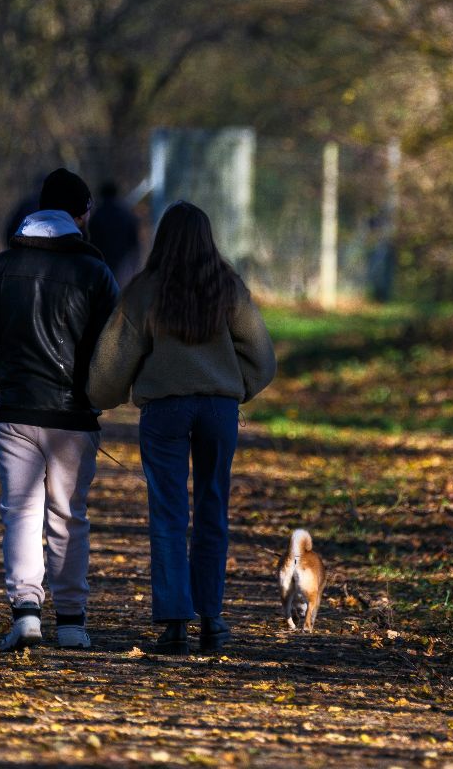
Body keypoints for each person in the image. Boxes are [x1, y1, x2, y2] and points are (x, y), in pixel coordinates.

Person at [87, 201, 277, 655]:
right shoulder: (228, 288)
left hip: (165, 414)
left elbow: (112, 363)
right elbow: (264, 359)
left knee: (168, 514)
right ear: (208, 238)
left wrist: (100, 399)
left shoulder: (144, 291)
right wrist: (234, 389)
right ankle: (212, 619)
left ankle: (174, 624)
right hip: (217, 411)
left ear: (163, 238)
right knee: (213, 509)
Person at [0, 168, 119, 651]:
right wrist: (96, 391)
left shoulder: (1, 266)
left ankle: (26, 613)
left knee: (20, 512)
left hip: (15, 411)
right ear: (81, 215)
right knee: (70, 517)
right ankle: (71, 622)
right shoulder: (96, 273)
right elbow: (114, 349)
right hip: (74, 417)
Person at [86, 180, 142, 286]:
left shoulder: (96, 216)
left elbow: (91, 243)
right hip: (123, 267)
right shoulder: (127, 216)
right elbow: (134, 245)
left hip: (102, 265)